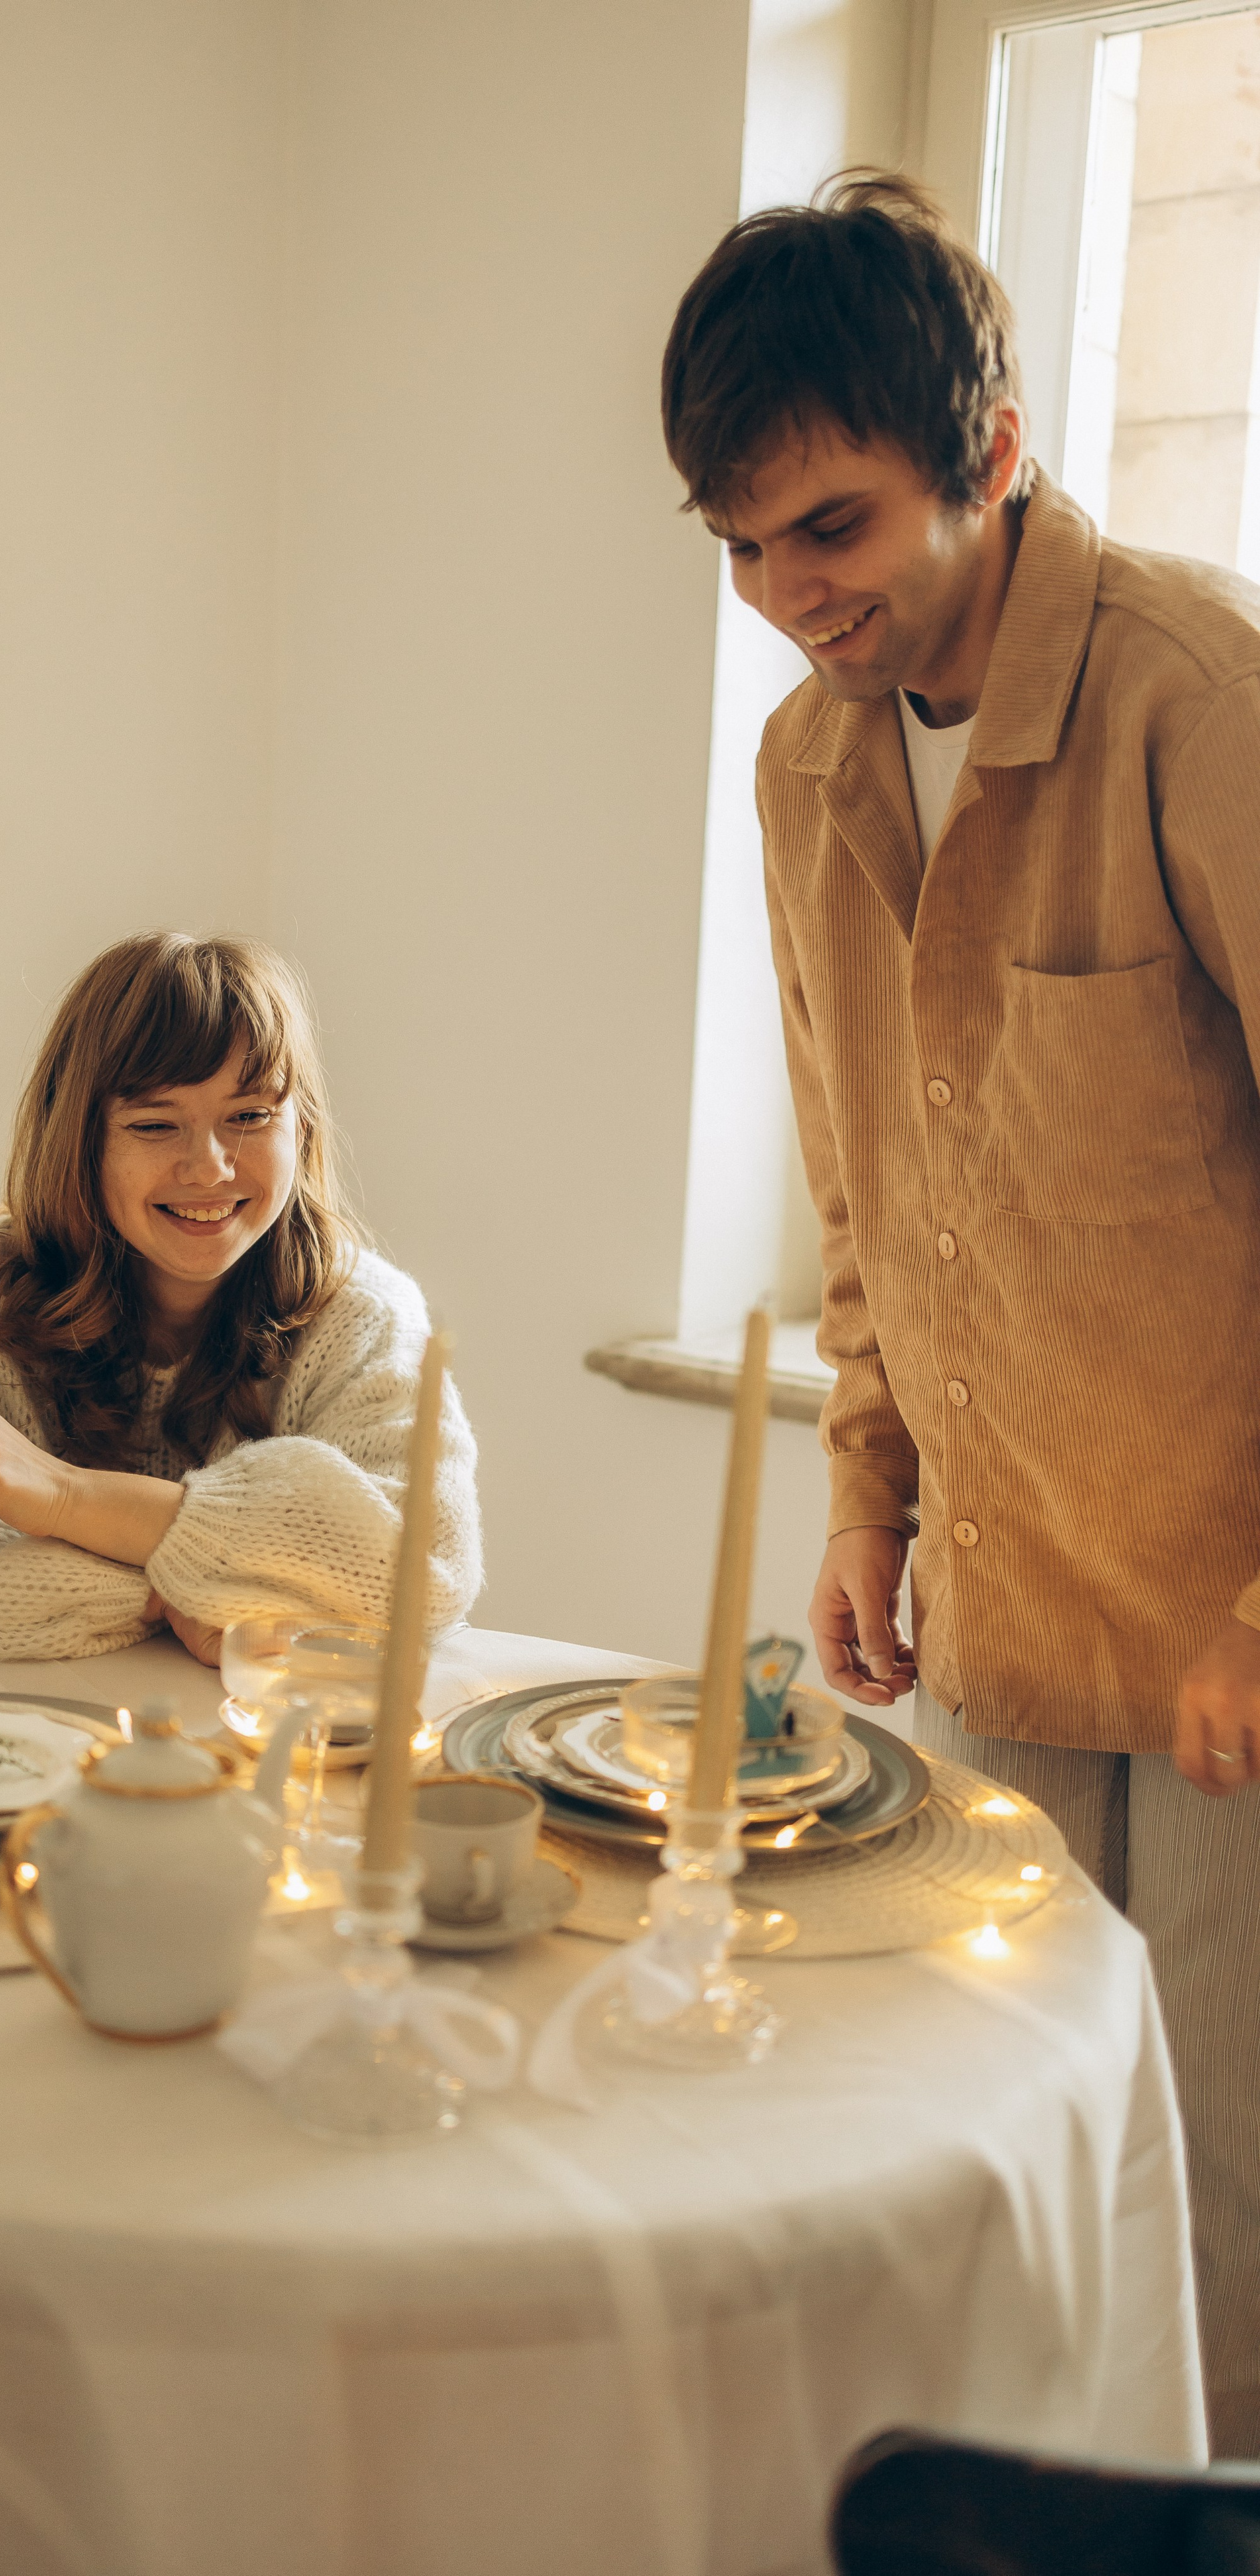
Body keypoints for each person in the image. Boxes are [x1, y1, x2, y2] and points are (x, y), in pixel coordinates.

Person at [662, 170, 1260, 2452]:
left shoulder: (1201, 694)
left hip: (1225, 1634)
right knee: (978, 2169)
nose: (783, 596)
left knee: (1212, 2236)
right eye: (735, 543)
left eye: (829, 527)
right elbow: (871, 1186)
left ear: (990, 453)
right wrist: (861, 1490)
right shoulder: (805, 764)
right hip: (990, 1607)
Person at [0, 932, 481, 1668]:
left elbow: (426, 1578)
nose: (208, 1167)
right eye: (153, 1125)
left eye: (250, 1116)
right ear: (82, 1141)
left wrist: (66, 1500)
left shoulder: (365, 1315)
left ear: (304, 1125)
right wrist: (186, 1595)